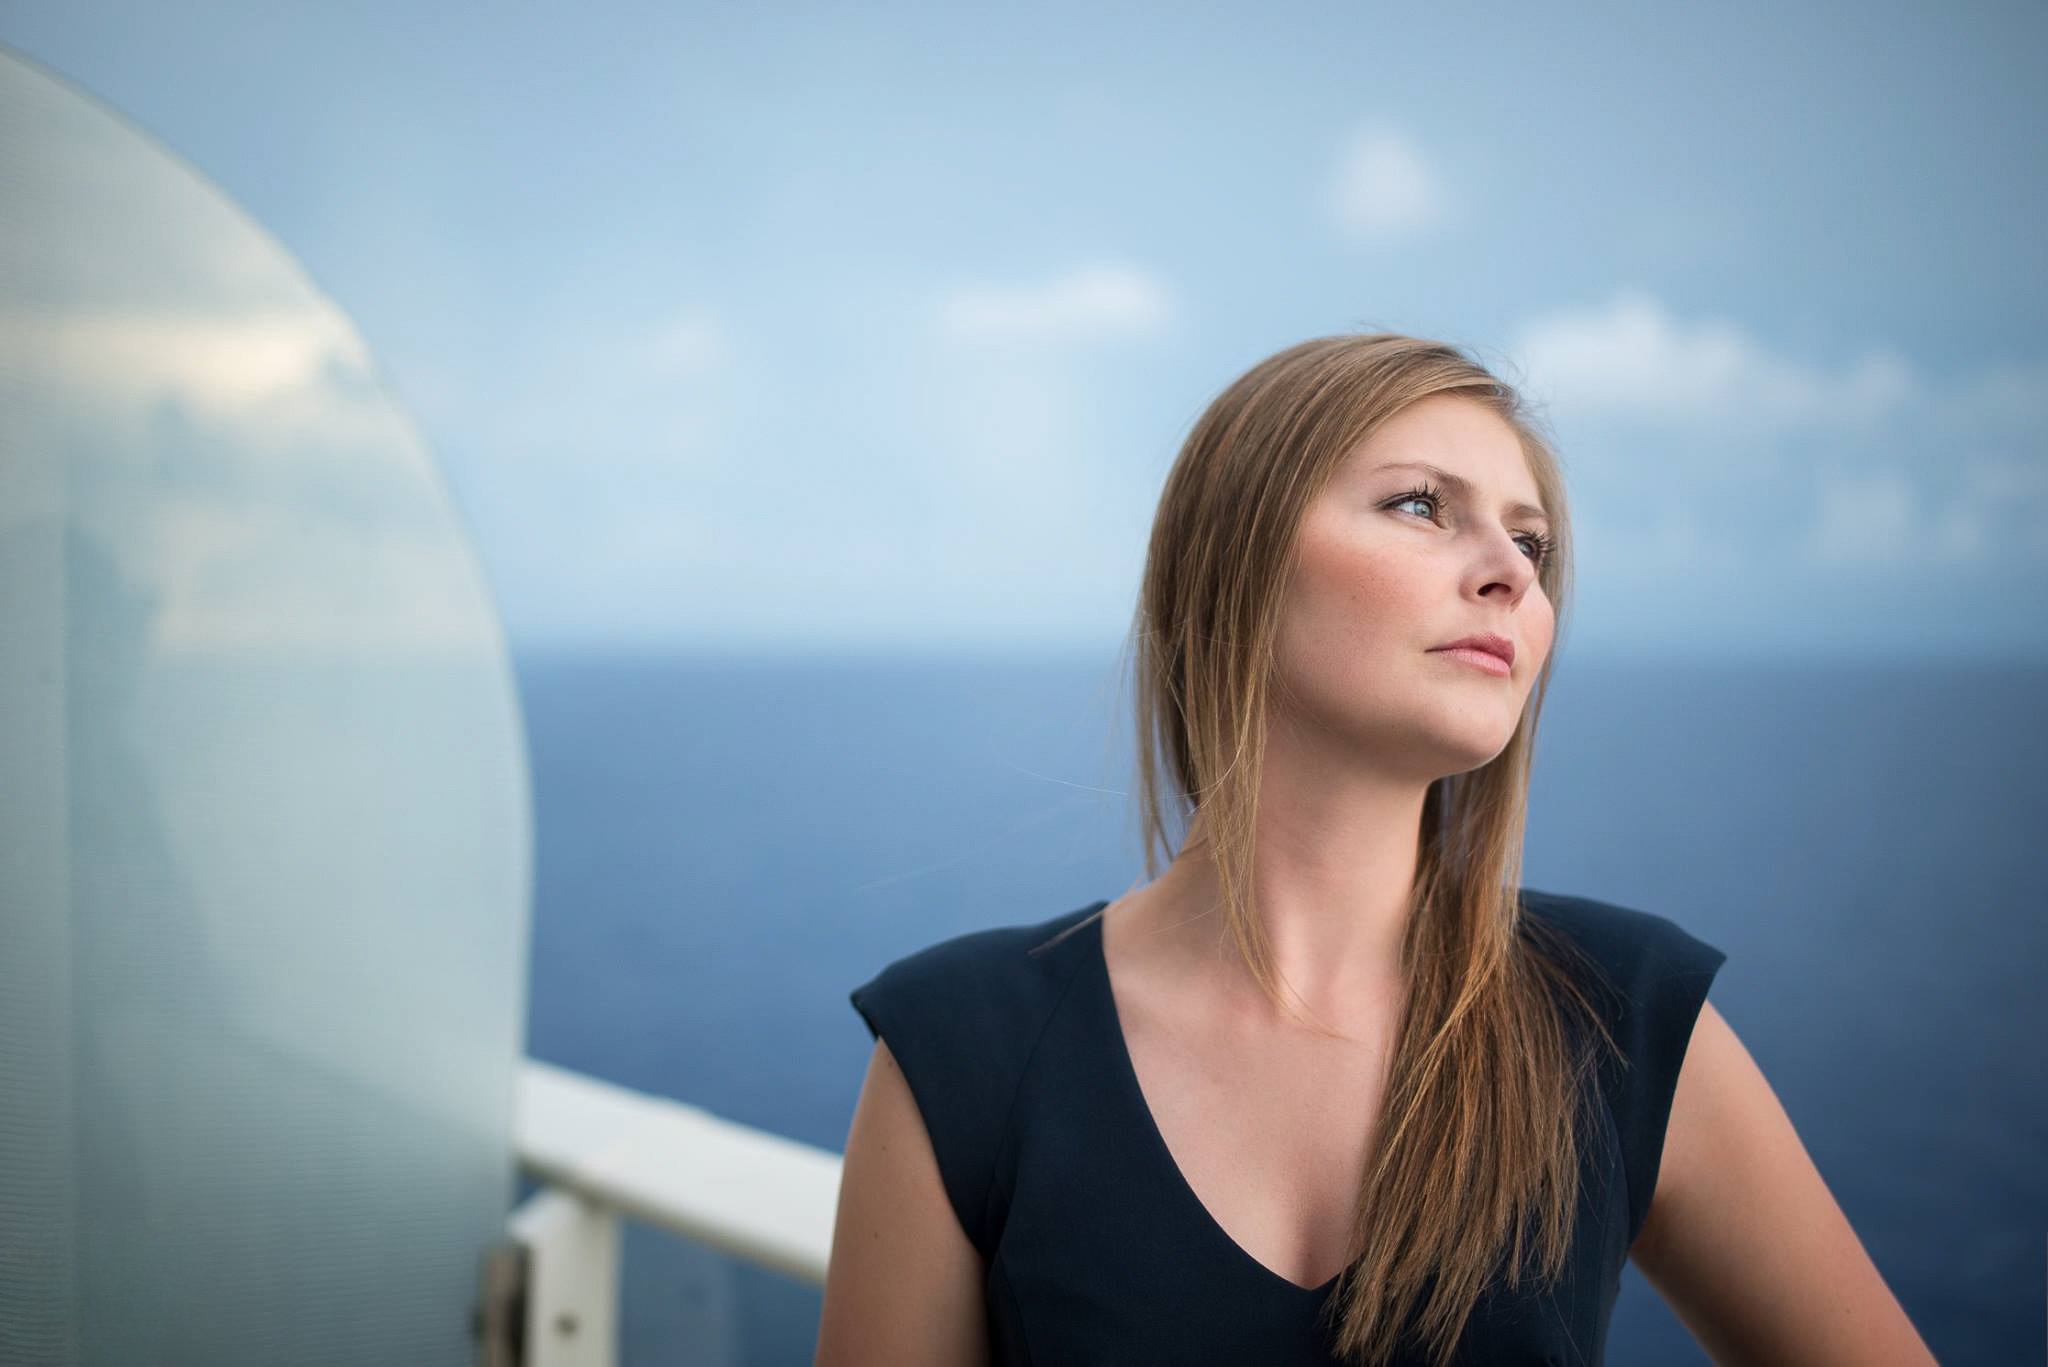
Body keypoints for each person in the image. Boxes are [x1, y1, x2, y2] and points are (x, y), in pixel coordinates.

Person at [813, 333, 1935, 1366]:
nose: (1510, 571)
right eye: (1417, 504)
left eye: (1530, 540)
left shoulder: (1618, 1016)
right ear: (1232, 565)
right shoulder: (959, 1047)